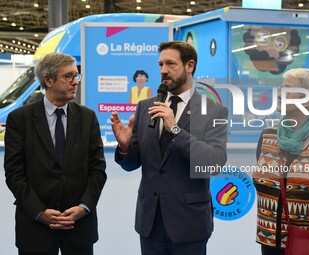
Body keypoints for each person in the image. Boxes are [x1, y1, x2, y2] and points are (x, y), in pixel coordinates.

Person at [110, 41, 228, 255]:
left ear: (189, 66)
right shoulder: (146, 106)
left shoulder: (213, 111)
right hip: (150, 223)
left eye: (171, 64)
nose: (163, 70)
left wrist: (175, 130)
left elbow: (214, 162)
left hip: (189, 223)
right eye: (160, 64)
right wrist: (125, 147)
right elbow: (132, 164)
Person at [4, 52, 107, 255]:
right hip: (35, 229)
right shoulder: (20, 119)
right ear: (48, 80)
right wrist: (39, 212)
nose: (75, 82)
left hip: (79, 228)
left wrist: (84, 206)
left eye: (77, 76)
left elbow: (98, 169)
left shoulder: (88, 117)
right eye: (68, 76)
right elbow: (15, 173)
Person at [252, 68, 309, 255]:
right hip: (270, 243)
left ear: (307, 100)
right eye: (280, 86)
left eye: (288, 88)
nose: (279, 92)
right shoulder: (267, 135)